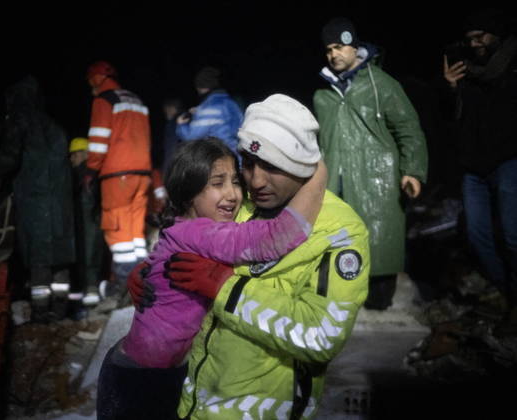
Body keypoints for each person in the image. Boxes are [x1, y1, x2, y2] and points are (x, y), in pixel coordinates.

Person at [130, 94, 370, 419]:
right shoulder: (243, 203)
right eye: (249, 163)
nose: (256, 180)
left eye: (273, 166)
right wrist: (154, 271)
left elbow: (321, 336)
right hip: (192, 404)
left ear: (301, 162)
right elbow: (192, 236)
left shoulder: (340, 230)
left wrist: (226, 289)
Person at [97, 136, 327, 420]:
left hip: (135, 367)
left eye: (235, 181)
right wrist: (317, 173)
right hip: (142, 382)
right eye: (217, 184)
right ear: (189, 193)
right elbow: (277, 237)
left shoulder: (183, 226)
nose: (232, 194)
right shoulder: (202, 233)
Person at [312, 17, 428, 311]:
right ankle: (338, 301)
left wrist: (412, 171)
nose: (333, 54)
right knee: (335, 239)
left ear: (354, 47)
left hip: (378, 177)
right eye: (328, 49)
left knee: (378, 239)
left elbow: (408, 128)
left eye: (339, 46)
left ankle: (379, 302)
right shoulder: (322, 95)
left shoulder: (382, 86)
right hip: (334, 179)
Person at [0, 75, 76, 323]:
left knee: (40, 260)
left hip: (36, 204)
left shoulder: (20, 122)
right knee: (60, 259)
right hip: (61, 206)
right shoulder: (56, 128)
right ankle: (61, 312)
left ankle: (42, 317)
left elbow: (9, 158)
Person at [443, 8, 517, 317]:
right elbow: (451, 119)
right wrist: (450, 89)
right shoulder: (464, 71)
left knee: (514, 236)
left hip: (508, 161)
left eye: (480, 37)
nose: (475, 44)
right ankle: (504, 290)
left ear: (496, 34)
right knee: (476, 235)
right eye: (470, 39)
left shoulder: (512, 66)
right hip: (474, 167)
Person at [84, 60, 152, 303]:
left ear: (96, 79)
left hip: (117, 175)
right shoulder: (136, 100)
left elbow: (99, 141)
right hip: (142, 174)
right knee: (135, 233)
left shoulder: (104, 99)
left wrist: (91, 170)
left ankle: (125, 285)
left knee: (118, 230)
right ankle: (143, 279)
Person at [67, 137, 106, 319]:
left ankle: (86, 311)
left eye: (74, 155)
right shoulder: (94, 174)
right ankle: (88, 307)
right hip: (93, 226)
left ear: (83, 154)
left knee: (88, 262)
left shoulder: (81, 176)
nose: (71, 160)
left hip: (87, 228)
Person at [176, 66, 243, 153]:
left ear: (199, 87)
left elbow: (191, 137)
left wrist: (181, 125)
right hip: (236, 156)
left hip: (218, 158)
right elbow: (240, 130)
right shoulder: (232, 103)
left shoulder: (207, 108)